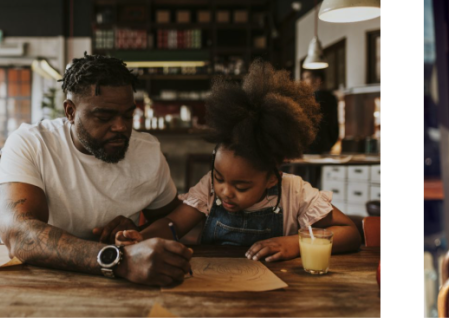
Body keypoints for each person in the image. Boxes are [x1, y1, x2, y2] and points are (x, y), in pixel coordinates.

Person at [116, 61, 362, 262]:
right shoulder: (210, 190)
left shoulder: (294, 193)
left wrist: (296, 243)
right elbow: (173, 225)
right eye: (219, 177)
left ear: (271, 177)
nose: (225, 192)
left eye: (241, 186)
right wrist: (142, 237)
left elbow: (350, 233)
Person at [0, 52, 192, 287]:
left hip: (121, 286)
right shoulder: (32, 143)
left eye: (128, 115)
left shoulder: (147, 152)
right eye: (104, 116)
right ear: (70, 112)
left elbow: (172, 222)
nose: (120, 127)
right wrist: (119, 260)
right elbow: (19, 234)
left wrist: (137, 233)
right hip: (43, 280)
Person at [302, 68, 340, 154]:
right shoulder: (332, 98)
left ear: (318, 79)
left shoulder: (312, 99)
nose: (304, 81)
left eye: (307, 77)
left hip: (311, 149)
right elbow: (334, 126)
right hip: (327, 147)